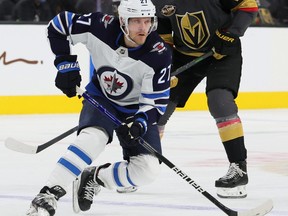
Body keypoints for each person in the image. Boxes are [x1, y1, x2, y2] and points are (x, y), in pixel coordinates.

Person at [26, 0, 172, 215]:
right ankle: (48, 194)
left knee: (147, 171)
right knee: (93, 138)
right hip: (101, 97)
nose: (143, 27)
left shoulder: (159, 54)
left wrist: (140, 122)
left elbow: (155, 103)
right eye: (136, 21)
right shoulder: (99, 26)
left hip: (136, 110)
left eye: (148, 20)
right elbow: (59, 25)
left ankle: (96, 178)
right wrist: (65, 63)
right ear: (122, 21)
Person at [149, 0, 258, 199]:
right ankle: (142, 165)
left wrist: (231, 33)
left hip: (223, 53)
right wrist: (163, 60)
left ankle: (238, 168)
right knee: (159, 107)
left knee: (220, 101)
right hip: (183, 55)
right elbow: (163, 32)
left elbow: (248, 6)